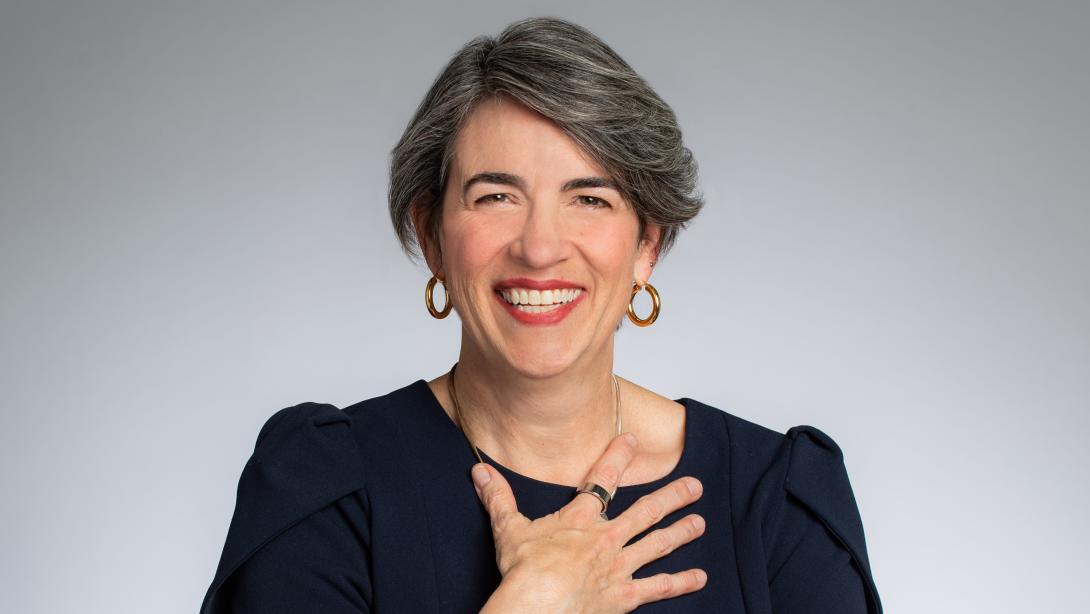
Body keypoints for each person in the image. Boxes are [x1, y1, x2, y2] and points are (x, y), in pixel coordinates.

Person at [200, 16, 882, 614]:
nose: (540, 247)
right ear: (432, 236)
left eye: (590, 198)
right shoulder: (327, 487)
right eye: (497, 196)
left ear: (648, 243)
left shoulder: (778, 503)